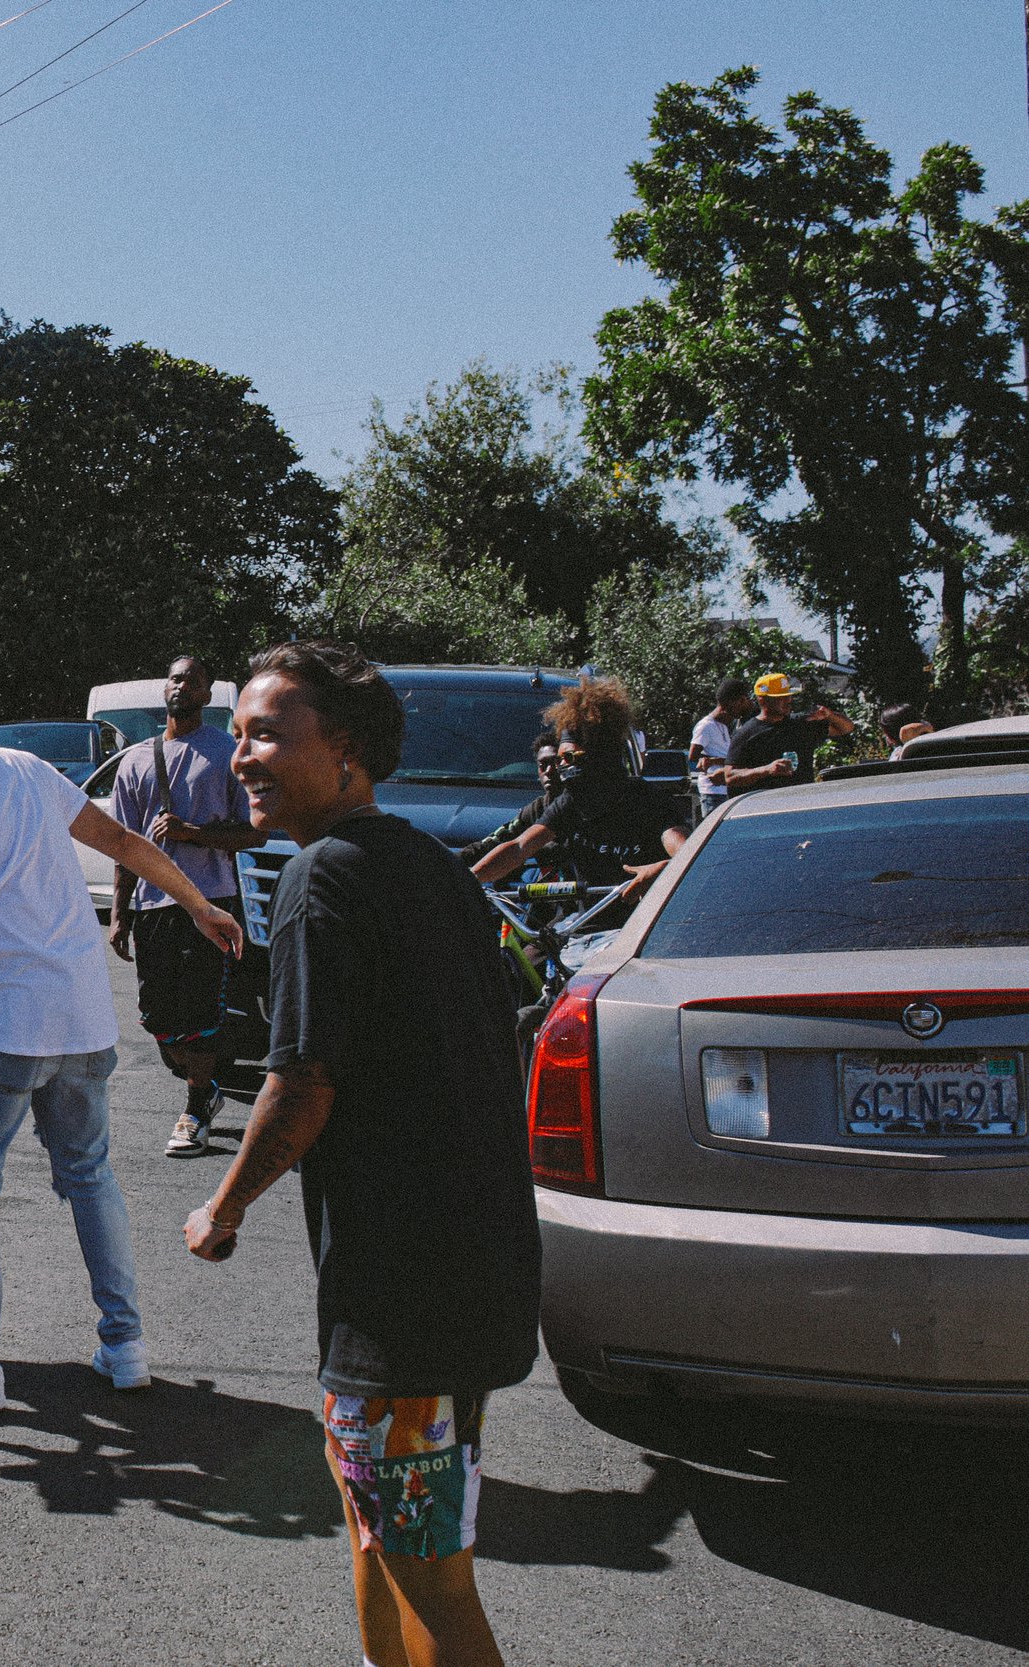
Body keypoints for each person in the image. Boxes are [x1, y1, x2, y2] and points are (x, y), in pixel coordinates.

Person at [185, 639, 536, 1667]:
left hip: (405, 1296)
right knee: (379, 1525)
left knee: (428, 1566)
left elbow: (300, 1082)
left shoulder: (319, 877)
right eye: (238, 732)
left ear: (344, 752)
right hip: (466, 1267)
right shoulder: (428, 863)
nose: (241, 755)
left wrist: (225, 1203)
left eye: (266, 734)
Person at [0, 662, 243, 1414]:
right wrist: (198, 903)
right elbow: (125, 841)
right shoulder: (26, 768)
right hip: (83, 1019)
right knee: (90, 1176)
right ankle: (126, 1346)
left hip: (1, 1023)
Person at [104, 654, 263, 1156]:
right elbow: (124, 845)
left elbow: (252, 834)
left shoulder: (226, 753)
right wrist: (119, 913)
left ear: (207, 692)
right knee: (158, 1017)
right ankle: (204, 1084)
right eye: (175, 679)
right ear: (165, 688)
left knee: (200, 1010)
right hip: (153, 907)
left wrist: (193, 834)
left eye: (192, 681)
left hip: (211, 902)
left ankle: (196, 1107)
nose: (182, 687)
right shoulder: (135, 759)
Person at [470, 677, 688, 913]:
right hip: (583, 928)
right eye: (559, 758)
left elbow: (692, 855)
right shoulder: (572, 802)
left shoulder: (647, 801)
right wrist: (470, 880)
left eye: (569, 758)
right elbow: (520, 847)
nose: (561, 766)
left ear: (599, 755)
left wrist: (663, 868)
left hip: (639, 929)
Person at [723, 673, 854, 797]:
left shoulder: (801, 724)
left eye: (789, 695)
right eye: (781, 697)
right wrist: (766, 770)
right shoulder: (746, 733)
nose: (788, 700)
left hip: (803, 804)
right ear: (762, 700)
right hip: (768, 809)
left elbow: (846, 728)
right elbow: (730, 777)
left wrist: (830, 715)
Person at [458, 732, 562, 870]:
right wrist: (451, 861)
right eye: (543, 765)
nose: (549, 771)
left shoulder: (589, 804)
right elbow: (495, 842)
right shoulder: (536, 809)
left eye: (556, 763)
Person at [688, 678, 754, 823]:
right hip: (713, 791)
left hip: (726, 789)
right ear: (731, 702)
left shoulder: (724, 726)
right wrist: (714, 761)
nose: (743, 706)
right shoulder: (705, 726)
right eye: (741, 701)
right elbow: (693, 756)